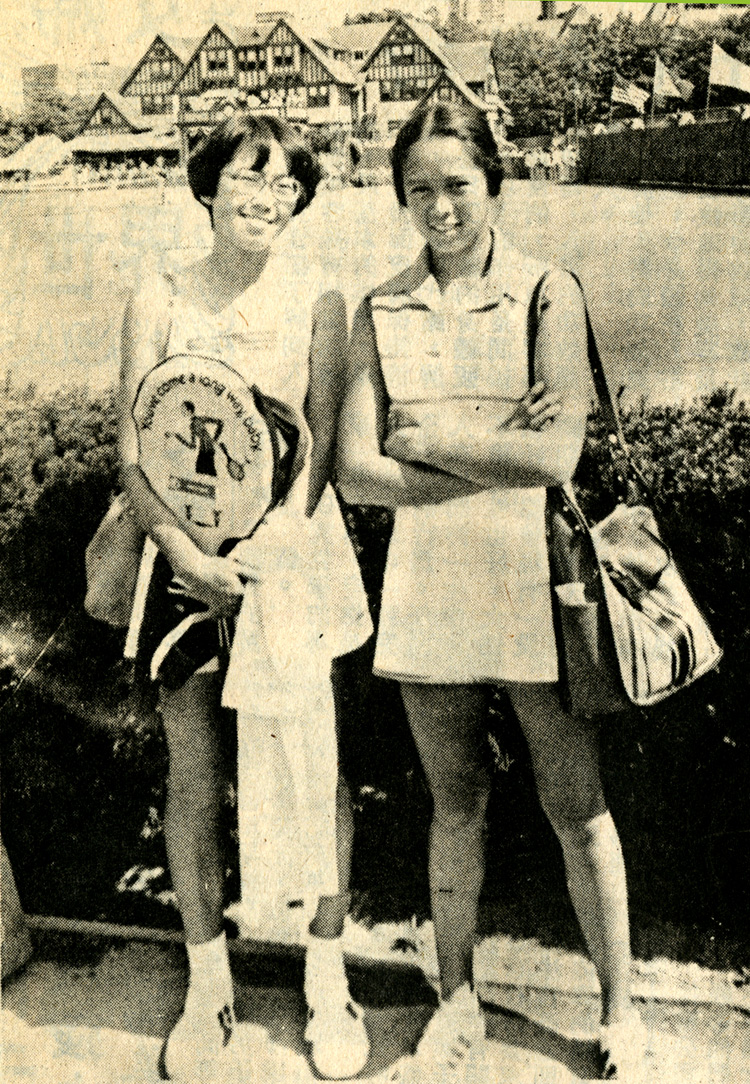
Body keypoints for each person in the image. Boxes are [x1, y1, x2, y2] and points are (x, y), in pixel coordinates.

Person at [337, 101, 642, 1082]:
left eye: (457, 185)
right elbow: (352, 472)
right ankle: (454, 998)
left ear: (496, 184)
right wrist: (494, 450)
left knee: (576, 803)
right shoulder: (376, 308)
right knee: (453, 804)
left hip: (537, 587)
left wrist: (426, 441)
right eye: (418, 189)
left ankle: (620, 1014)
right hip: (428, 589)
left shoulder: (550, 292)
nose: (439, 208)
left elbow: (556, 452)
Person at [119, 111, 372, 1082]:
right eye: (247, 178)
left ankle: (326, 980)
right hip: (181, 568)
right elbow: (133, 450)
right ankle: (207, 986)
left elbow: (316, 447)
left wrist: (262, 550)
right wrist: (188, 553)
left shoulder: (320, 296)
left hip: (290, 562)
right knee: (192, 778)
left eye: (285, 186)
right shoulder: (160, 293)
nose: (268, 199)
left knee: (318, 777)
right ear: (208, 185)